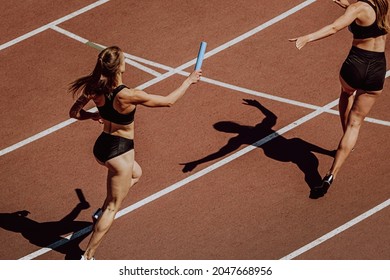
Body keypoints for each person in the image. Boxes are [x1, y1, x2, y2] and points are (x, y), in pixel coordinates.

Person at [68, 46, 202, 259]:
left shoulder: (94, 88)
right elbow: (169, 101)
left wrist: (92, 116)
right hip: (120, 152)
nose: (126, 60)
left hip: (102, 147)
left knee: (137, 174)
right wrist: (188, 80)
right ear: (119, 67)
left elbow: (74, 113)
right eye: (124, 58)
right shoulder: (129, 95)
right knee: (113, 207)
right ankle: (87, 257)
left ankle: (100, 213)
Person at [289, 0, 389, 196]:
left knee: (346, 93)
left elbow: (334, 27)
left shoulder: (358, 8)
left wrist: (307, 37)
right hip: (377, 68)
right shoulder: (385, 6)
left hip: (356, 64)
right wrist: (347, 7)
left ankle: (344, 138)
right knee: (356, 124)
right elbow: (370, 19)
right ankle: (330, 175)